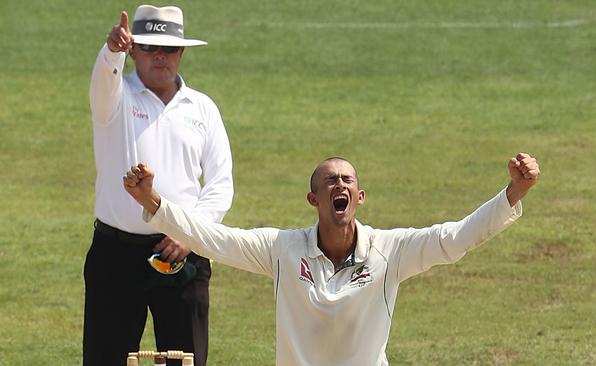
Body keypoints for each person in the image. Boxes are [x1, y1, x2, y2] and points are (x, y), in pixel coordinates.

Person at [123, 153, 539, 365]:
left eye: (347, 180)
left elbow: (456, 238)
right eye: (329, 180)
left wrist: (512, 194)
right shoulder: (282, 249)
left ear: (358, 197)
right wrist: (154, 203)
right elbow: (214, 238)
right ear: (313, 198)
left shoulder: (389, 250)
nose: (339, 184)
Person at [84, 5, 233, 366]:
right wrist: (111, 53)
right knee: (106, 358)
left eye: (168, 48)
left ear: (181, 52)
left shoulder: (202, 108)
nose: (160, 56)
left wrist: (190, 233)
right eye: (150, 47)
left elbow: (220, 182)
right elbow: (104, 83)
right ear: (134, 50)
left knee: (186, 359)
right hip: (116, 254)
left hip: (181, 253)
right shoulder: (115, 97)